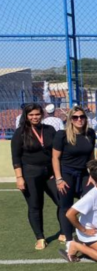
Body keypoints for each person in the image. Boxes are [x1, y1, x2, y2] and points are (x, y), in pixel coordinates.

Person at [11, 103, 60, 250]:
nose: (34, 117)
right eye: (31, 115)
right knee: (35, 206)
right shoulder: (20, 132)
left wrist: (56, 172)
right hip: (30, 174)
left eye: (37, 114)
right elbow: (16, 157)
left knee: (62, 201)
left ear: (42, 114)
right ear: (26, 116)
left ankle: (64, 231)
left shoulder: (50, 130)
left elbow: (57, 152)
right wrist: (19, 177)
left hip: (50, 174)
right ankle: (40, 237)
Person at [52, 106, 97, 244]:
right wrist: (59, 179)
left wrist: (92, 173)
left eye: (82, 117)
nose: (79, 119)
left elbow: (91, 156)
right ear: (70, 119)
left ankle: (88, 234)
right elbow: (55, 158)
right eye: (75, 117)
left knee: (91, 202)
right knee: (66, 206)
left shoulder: (90, 133)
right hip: (66, 173)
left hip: (83, 173)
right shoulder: (62, 135)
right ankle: (69, 240)